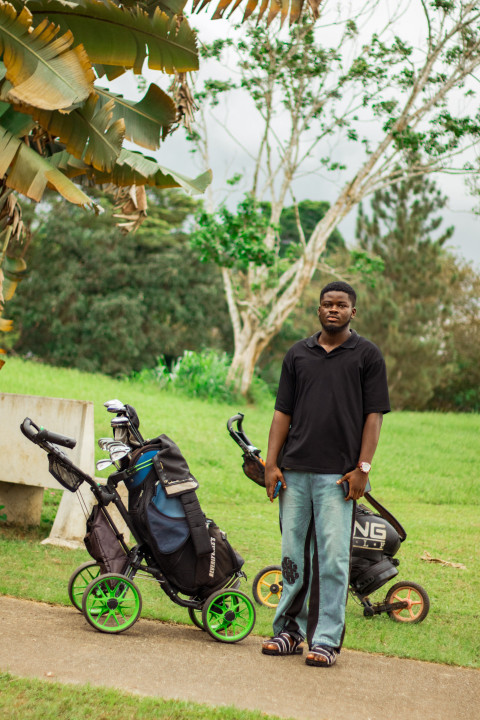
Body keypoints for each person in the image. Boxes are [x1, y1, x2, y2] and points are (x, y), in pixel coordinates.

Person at [261, 281, 390, 667]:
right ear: (318, 310)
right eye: (326, 304)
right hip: (295, 472)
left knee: (332, 559)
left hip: (339, 477)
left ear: (353, 312)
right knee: (293, 557)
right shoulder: (297, 354)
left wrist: (362, 469)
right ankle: (288, 631)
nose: (333, 310)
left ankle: (326, 640)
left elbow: (374, 416)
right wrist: (271, 464)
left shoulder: (367, 355)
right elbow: (282, 412)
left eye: (341, 305)